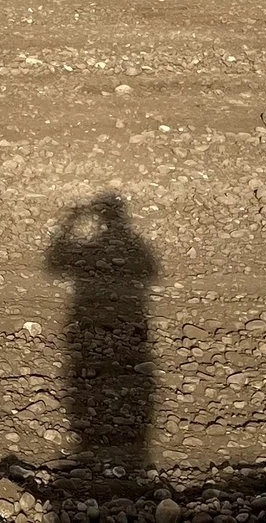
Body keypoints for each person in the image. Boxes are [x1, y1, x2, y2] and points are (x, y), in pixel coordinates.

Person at [45, 192, 160, 469]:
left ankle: (98, 444)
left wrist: (70, 222)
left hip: (87, 322)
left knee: (84, 378)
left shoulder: (100, 247)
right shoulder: (135, 244)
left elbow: (53, 263)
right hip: (130, 320)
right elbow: (152, 271)